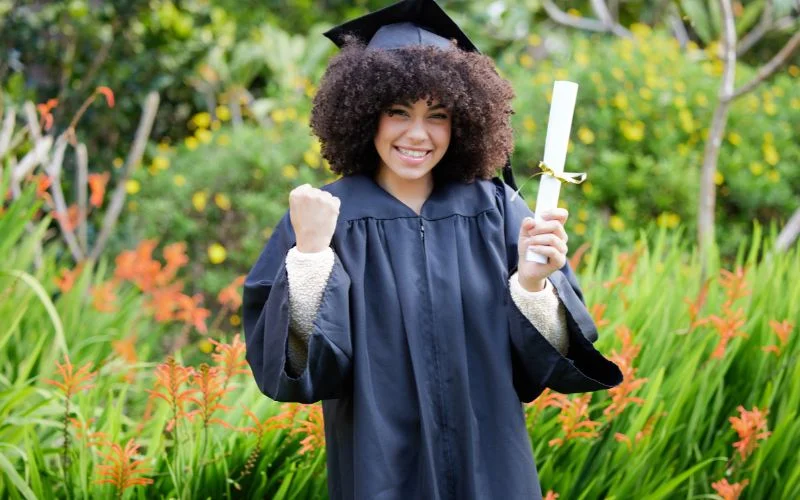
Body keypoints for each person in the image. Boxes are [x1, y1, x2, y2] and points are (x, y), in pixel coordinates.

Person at [242, 0, 622, 498]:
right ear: (364, 114)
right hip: (380, 471)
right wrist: (311, 258)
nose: (417, 134)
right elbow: (295, 374)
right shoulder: (326, 217)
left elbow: (549, 363)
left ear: (462, 122)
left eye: (437, 115)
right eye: (398, 112)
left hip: (491, 469)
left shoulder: (496, 210)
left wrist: (532, 287)